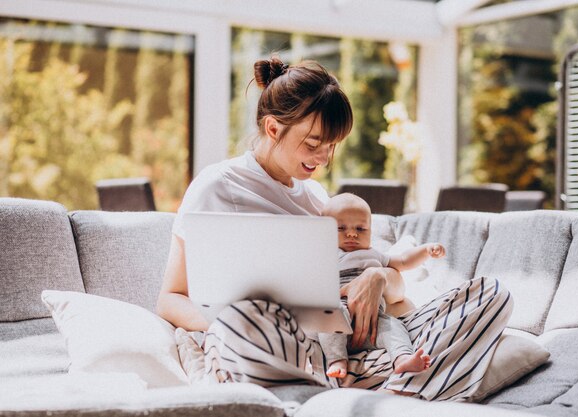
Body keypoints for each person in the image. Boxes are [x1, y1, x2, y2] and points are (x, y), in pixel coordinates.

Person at [157, 55, 513, 401]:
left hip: (345, 344)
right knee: (246, 320)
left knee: (492, 296)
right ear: (272, 128)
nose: (324, 158)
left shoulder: (318, 199)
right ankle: (383, 387)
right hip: (266, 341)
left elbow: (391, 287)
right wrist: (235, 323)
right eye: (314, 144)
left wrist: (375, 278)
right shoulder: (217, 186)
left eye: (332, 147)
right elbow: (170, 299)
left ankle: (375, 386)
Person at [319, 193, 446, 381]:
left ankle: (402, 357)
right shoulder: (326, 254)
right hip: (339, 316)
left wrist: (426, 250)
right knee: (328, 314)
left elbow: (403, 260)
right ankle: (337, 360)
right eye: (341, 228)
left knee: (394, 326)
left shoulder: (374, 255)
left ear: (371, 231)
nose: (352, 233)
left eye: (361, 229)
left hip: (373, 322)